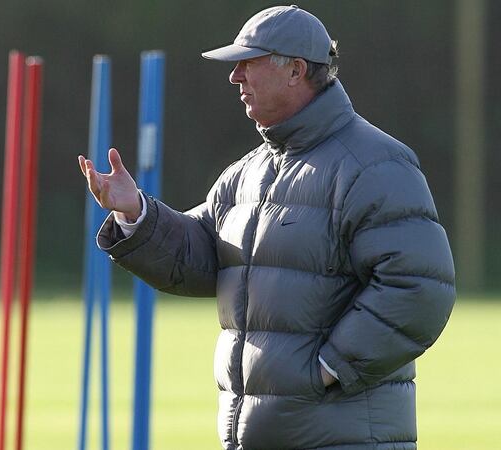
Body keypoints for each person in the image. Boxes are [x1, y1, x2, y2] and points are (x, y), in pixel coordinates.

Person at [79, 5, 455, 450]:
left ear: (296, 70)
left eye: (248, 63)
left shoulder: (376, 164)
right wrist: (134, 211)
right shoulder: (246, 172)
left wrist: (329, 369)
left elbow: (419, 288)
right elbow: (200, 257)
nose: (235, 78)